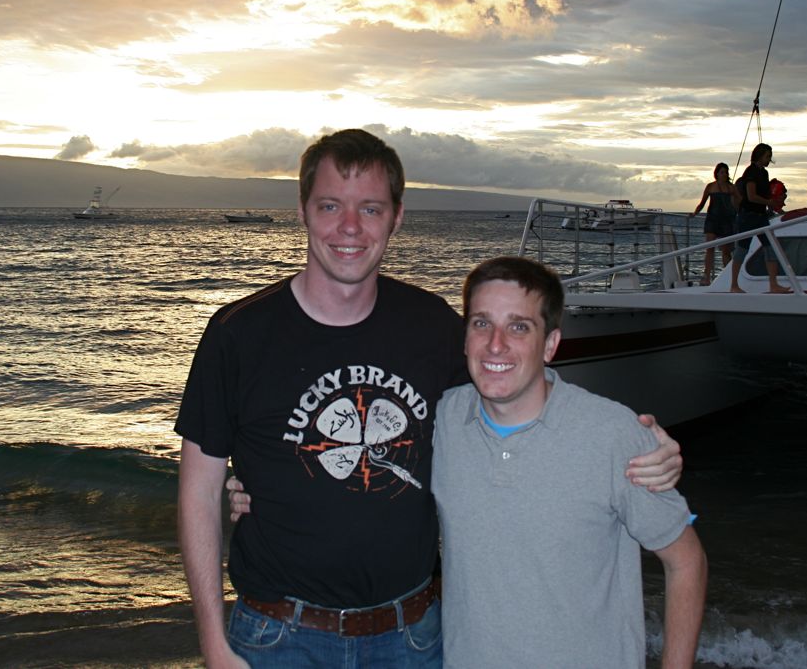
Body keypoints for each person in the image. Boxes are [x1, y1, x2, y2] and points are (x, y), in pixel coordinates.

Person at [175, 129, 685, 669]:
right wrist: (213, 642)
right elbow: (199, 491)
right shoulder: (238, 334)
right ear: (303, 210)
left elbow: (514, 405)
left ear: (396, 217)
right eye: (331, 206)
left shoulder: (433, 327)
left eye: (370, 209)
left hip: (412, 638)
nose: (350, 228)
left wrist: (636, 442)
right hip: (278, 636)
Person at [433, 256, 707, 668]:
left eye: (519, 326)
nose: (495, 344)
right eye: (482, 323)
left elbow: (686, 562)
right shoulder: (444, 420)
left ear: (550, 345)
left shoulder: (613, 434)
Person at [728, 143, 789, 294]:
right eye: (767, 156)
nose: (769, 159)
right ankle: (734, 285)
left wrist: (776, 206)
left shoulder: (764, 173)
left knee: (770, 247)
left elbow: (766, 195)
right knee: (742, 249)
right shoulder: (751, 172)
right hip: (748, 216)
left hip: (761, 216)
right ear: (760, 156)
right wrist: (769, 202)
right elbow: (751, 196)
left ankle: (773, 284)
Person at [692, 162, 736, 285]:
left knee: (726, 250)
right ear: (717, 173)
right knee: (710, 248)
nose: (724, 174)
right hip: (712, 219)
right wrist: (695, 213)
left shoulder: (731, 187)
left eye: (726, 172)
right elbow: (702, 203)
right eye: (722, 172)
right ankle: (706, 276)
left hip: (727, 220)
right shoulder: (710, 186)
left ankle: (729, 276)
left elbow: (738, 202)